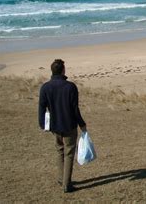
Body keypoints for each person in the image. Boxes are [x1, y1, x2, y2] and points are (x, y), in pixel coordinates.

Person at [38, 59, 87, 193]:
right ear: (63, 70)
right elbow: (75, 109)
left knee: (60, 151)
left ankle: (61, 178)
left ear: (52, 71)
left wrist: (42, 124)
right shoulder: (70, 87)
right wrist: (82, 124)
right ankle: (66, 184)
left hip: (55, 126)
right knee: (69, 153)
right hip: (69, 125)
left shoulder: (45, 87)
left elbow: (41, 107)